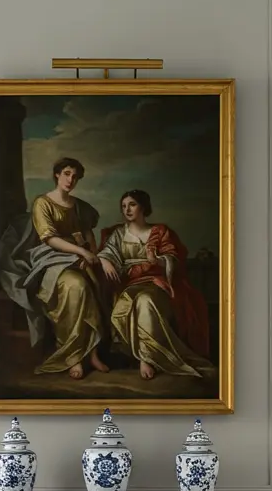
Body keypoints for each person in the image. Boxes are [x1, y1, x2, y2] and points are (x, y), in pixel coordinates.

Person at [98, 189, 213, 379]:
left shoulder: (159, 231)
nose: (127, 209)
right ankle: (140, 353)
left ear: (143, 207)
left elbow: (173, 259)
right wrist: (105, 260)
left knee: (145, 300)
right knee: (126, 305)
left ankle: (147, 357)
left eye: (132, 205)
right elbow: (107, 252)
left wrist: (157, 260)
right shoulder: (119, 234)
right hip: (130, 283)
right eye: (124, 206)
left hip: (157, 283)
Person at [28, 158, 109, 378]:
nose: (70, 180)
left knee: (95, 286)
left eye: (75, 176)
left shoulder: (80, 206)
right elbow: (50, 239)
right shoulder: (42, 203)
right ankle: (73, 356)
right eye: (66, 173)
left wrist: (91, 255)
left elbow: (88, 234)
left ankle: (92, 353)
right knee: (76, 287)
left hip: (80, 257)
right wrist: (80, 252)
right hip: (52, 259)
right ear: (57, 174)